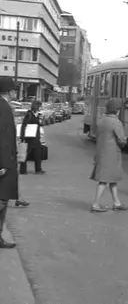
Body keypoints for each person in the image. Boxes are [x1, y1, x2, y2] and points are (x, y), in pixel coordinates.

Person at [89, 98, 128, 213]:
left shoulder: (102, 121)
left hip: (101, 152)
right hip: (111, 154)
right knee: (104, 180)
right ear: (117, 110)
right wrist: (125, 141)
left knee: (112, 179)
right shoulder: (116, 122)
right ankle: (96, 204)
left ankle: (117, 203)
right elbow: (121, 140)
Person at [0, 77, 19, 248]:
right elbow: (3, 137)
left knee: (3, 198)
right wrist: (4, 163)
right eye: (14, 89)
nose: (16, 92)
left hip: (5, 159)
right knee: (2, 199)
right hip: (4, 161)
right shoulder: (4, 108)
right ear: (9, 91)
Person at [20, 100, 44, 175]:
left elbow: (39, 125)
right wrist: (22, 137)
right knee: (25, 154)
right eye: (38, 106)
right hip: (29, 138)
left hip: (36, 137)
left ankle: (38, 169)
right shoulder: (29, 114)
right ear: (35, 106)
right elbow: (24, 126)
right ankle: (23, 170)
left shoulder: (38, 115)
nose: (39, 108)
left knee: (38, 153)